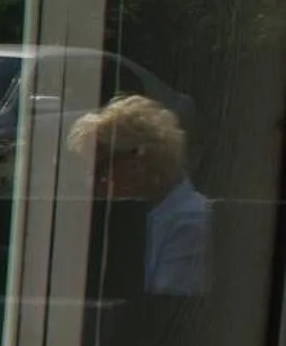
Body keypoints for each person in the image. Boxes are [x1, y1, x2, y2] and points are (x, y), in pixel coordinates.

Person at [67, 94, 208, 296]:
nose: (94, 184)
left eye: (101, 170)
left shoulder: (190, 223)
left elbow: (164, 309)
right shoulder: (139, 218)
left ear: (140, 159)